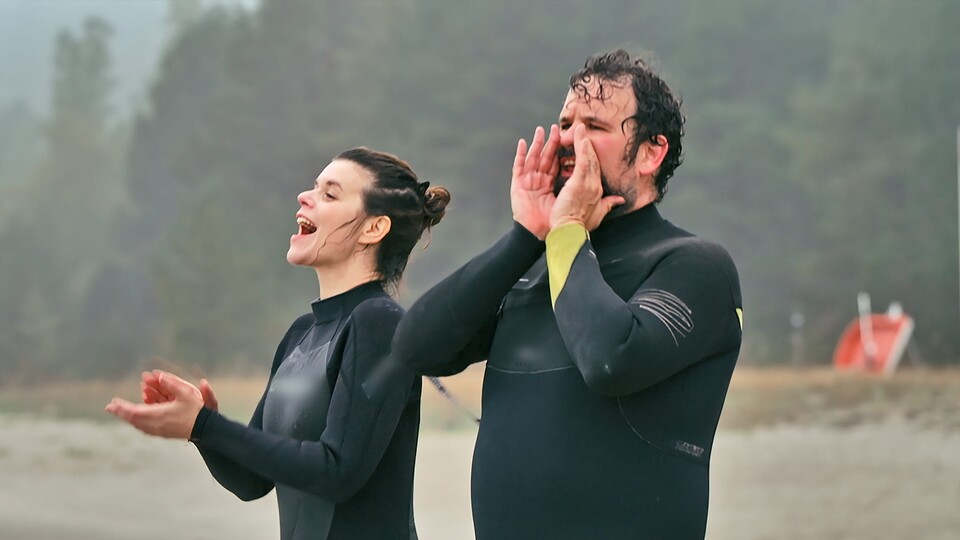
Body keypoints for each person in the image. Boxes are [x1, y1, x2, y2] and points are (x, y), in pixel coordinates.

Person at [392, 49, 743, 539]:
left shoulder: (695, 266)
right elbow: (416, 348)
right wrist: (526, 236)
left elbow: (609, 361)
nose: (567, 139)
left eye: (594, 126)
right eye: (564, 123)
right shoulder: (539, 262)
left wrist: (567, 232)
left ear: (651, 153)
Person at [106, 147, 450, 540]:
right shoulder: (301, 334)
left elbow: (338, 471)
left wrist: (208, 426)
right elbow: (251, 480)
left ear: (374, 229)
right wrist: (201, 429)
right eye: (313, 187)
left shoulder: (380, 323)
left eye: (329, 194)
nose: (305, 196)